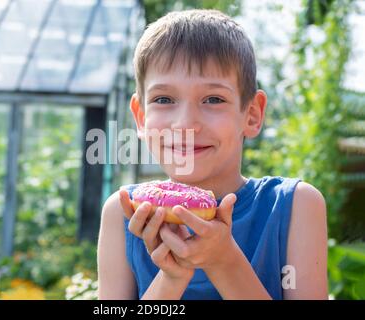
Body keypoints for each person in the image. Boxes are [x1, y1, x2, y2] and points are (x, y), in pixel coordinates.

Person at [97, 9, 327, 300]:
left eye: (213, 99)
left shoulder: (295, 206)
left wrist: (224, 261)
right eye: (164, 99)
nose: (185, 123)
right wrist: (172, 276)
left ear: (252, 114)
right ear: (141, 117)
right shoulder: (123, 213)